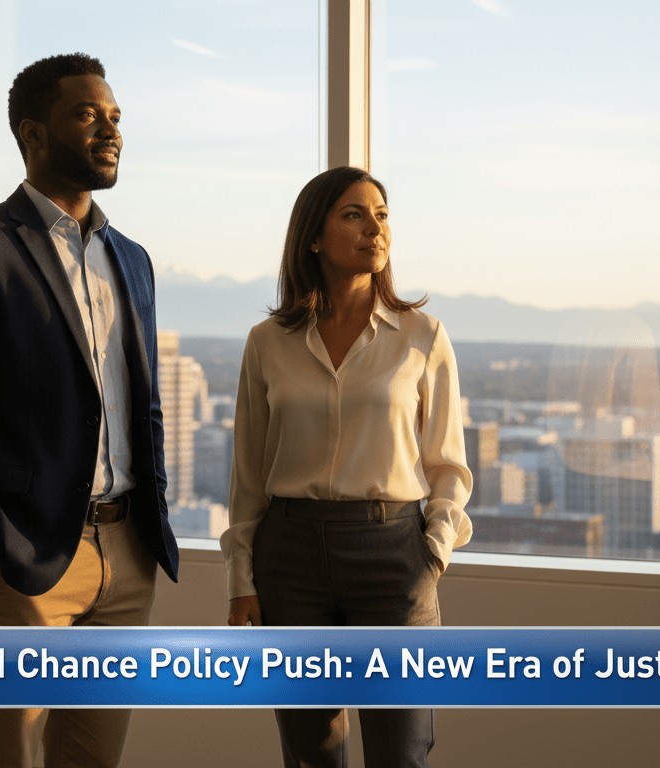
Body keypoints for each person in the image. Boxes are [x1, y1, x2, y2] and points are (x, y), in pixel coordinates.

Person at [0, 52, 179, 768]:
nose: (110, 130)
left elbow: (141, 408)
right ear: (33, 133)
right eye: (87, 114)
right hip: (20, 561)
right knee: (1, 758)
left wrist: (151, 528)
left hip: (126, 555)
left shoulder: (134, 260)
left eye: (114, 116)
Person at [222, 166, 473, 768]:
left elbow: (448, 466)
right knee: (311, 754)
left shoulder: (423, 336)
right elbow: (248, 476)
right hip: (291, 558)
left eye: (382, 215)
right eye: (354, 215)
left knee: (403, 751)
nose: (374, 228)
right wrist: (241, 581)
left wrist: (431, 554)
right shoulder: (268, 341)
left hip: (392, 554)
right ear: (314, 236)